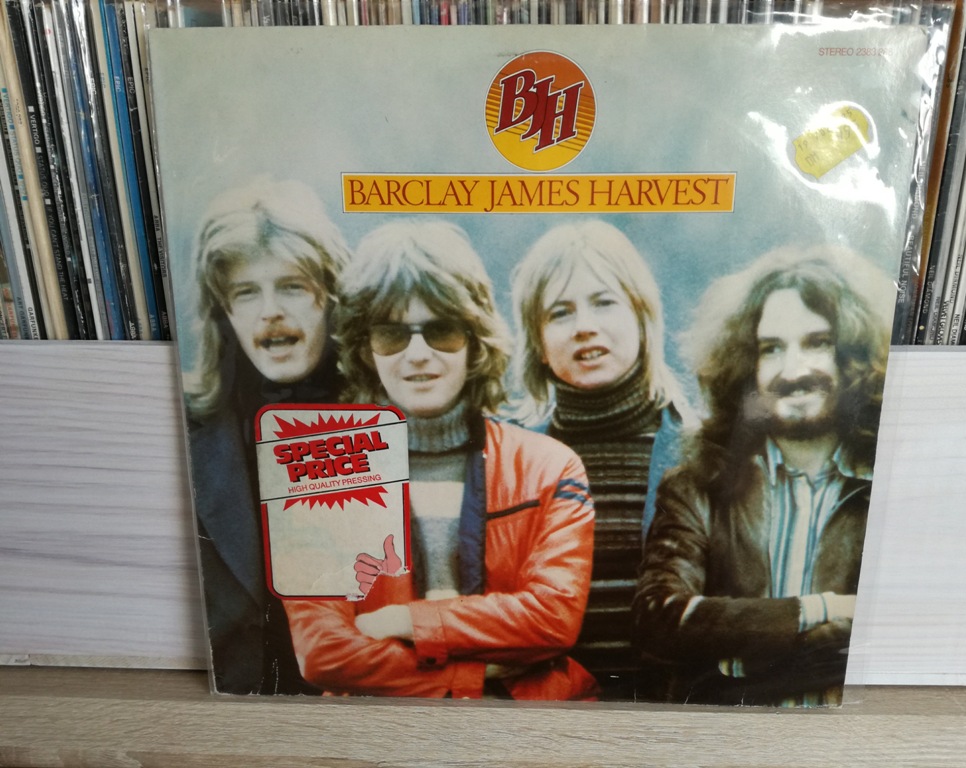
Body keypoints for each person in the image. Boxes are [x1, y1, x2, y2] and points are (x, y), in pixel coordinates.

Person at [284, 220, 597, 700]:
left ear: (474, 342)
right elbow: (323, 652)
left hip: (525, 723)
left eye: (441, 331)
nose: (417, 354)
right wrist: (471, 675)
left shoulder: (551, 468)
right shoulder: (319, 473)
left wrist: (406, 620)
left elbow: (552, 618)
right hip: (381, 729)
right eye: (391, 334)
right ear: (366, 349)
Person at [633, 244, 893, 706]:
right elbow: (658, 620)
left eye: (817, 342)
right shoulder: (695, 488)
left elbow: (911, 626)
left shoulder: (895, 485)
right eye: (771, 349)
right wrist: (822, 610)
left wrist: (739, 650)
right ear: (745, 366)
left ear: (855, 352)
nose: (793, 370)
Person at [183, 177, 351, 695]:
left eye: (293, 286)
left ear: (332, 297)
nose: (270, 310)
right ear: (224, 313)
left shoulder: (390, 413)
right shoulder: (188, 428)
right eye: (246, 292)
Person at [510, 220, 691, 699]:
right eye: (560, 312)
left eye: (604, 302)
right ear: (538, 343)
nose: (584, 326)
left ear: (642, 317)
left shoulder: (699, 452)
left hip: (669, 713)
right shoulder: (511, 461)